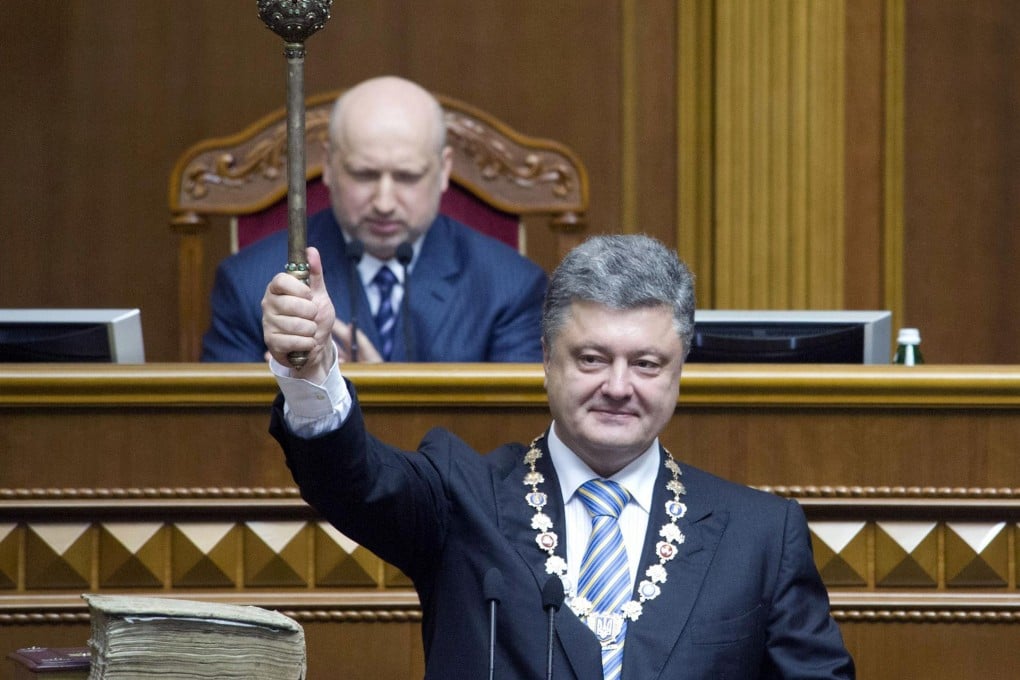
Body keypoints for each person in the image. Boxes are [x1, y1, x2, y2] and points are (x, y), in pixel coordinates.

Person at [262, 234, 856, 679]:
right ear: (547, 358)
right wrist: (312, 373)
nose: (618, 387)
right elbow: (353, 482)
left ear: (679, 370)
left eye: (646, 364)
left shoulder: (759, 535)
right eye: (591, 359)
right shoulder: (461, 498)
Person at [201, 75, 547, 363]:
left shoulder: (510, 288)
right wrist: (299, 386)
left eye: (407, 177)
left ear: (444, 170)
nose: (384, 203)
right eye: (364, 175)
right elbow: (227, 423)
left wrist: (372, 391)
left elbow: (511, 424)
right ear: (329, 165)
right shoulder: (250, 283)